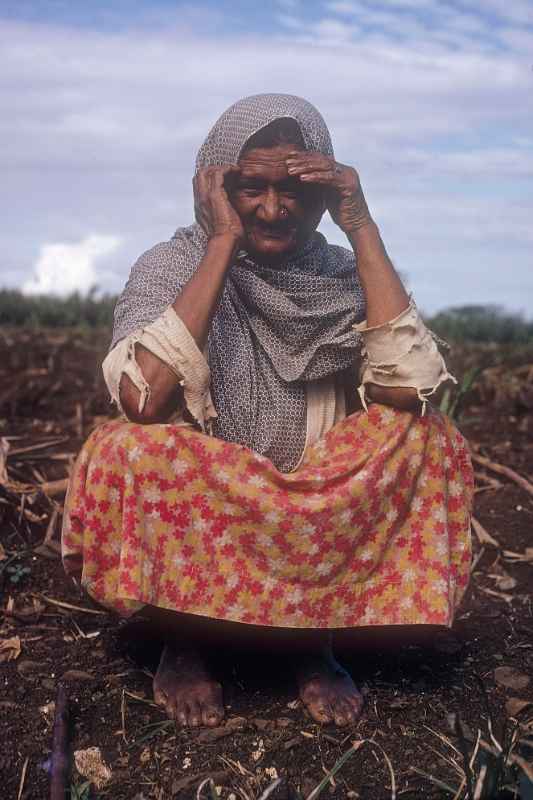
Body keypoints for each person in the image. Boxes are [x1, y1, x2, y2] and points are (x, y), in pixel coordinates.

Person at [61, 94, 473, 729]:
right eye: (250, 188)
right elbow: (143, 399)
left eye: (297, 192)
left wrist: (360, 224)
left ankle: (312, 639)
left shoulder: (343, 270)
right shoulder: (169, 266)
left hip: (309, 507)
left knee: (428, 438)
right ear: (214, 185)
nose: (274, 209)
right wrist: (221, 242)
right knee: (126, 447)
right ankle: (186, 637)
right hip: (212, 506)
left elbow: (413, 384)